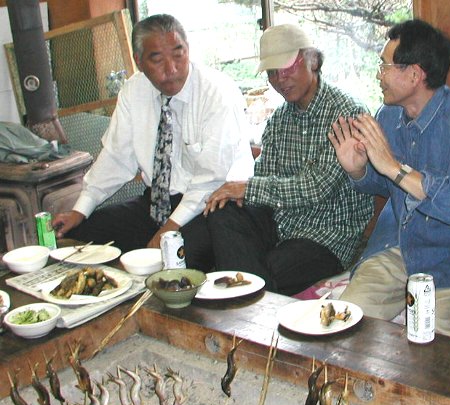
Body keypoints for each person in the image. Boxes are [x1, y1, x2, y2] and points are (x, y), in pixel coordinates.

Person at [329, 19, 450, 337]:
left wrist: (394, 167)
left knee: (427, 354)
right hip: (399, 248)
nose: (379, 74)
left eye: (385, 65)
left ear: (415, 74)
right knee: (343, 325)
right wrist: (359, 169)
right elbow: (386, 184)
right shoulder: (388, 116)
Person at [53, 14, 254, 270]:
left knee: (172, 261)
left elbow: (211, 180)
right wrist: (80, 210)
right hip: (158, 203)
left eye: (178, 54)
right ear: (139, 62)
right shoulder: (133, 91)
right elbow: (116, 157)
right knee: (84, 236)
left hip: (214, 206)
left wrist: (169, 230)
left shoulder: (217, 92)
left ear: (188, 49)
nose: (171, 69)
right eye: (157, 59)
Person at [203, 24, 373, 296]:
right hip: (282, 224)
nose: (281, 79)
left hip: (327, 237)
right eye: (272, 72)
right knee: (221, 213)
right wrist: (239, 195)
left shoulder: (347, 113)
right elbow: (263, 178)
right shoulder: (279, 119)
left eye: (288, 67)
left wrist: (247, 188)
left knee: (262, 271)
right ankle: (247, 289)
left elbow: (316, 187)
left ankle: (245, 298)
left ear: (313, 60)